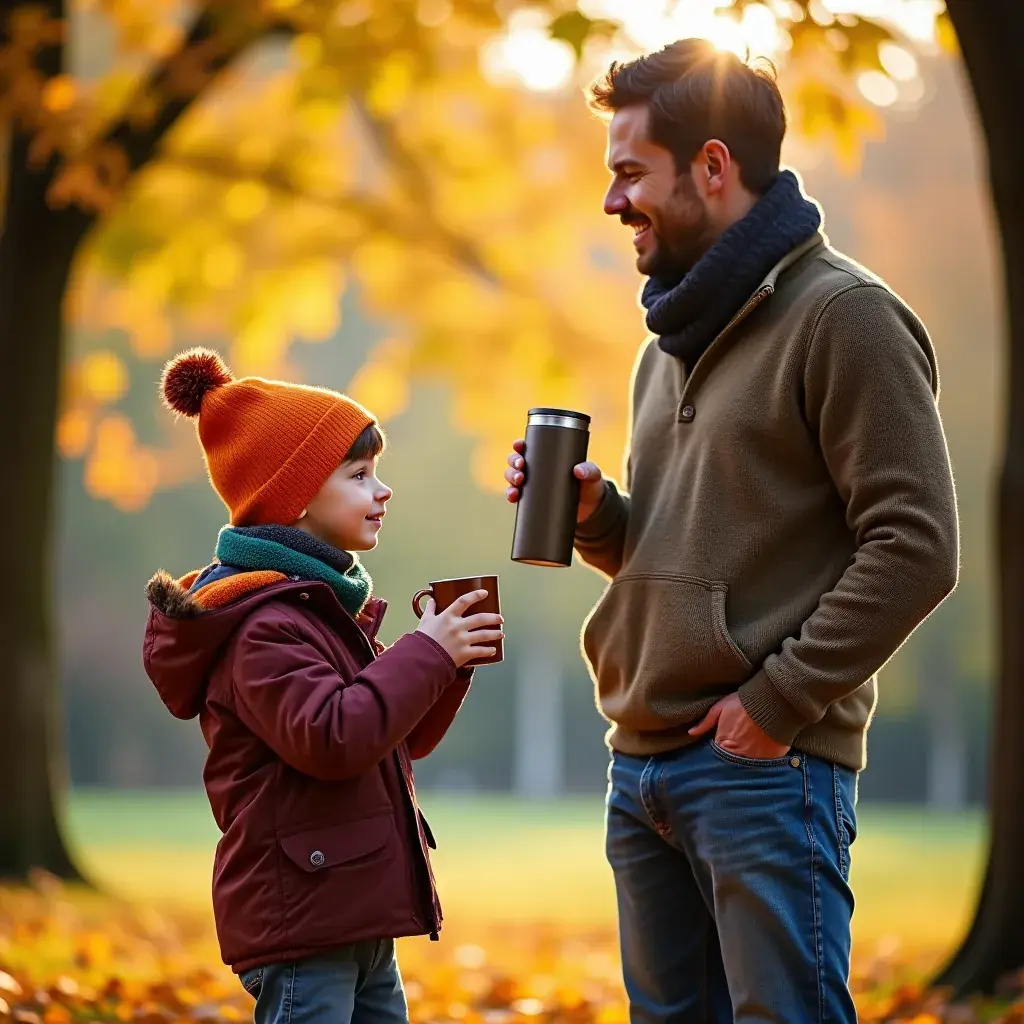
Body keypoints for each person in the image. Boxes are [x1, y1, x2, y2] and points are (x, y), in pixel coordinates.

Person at [505, 39, 959, 1024]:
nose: (611, 200)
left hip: (764, 767)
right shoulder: (669, 340)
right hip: (645, 764)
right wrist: (598, 519)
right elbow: (684, 552)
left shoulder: (846, 318)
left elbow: (917, 543)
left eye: (630, 172)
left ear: (712, 167)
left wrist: (780, 698)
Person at [143, 348, 503, 1024]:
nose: (383, 490)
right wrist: (424, 653)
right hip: (303, 919)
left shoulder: (319, 610)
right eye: (361, 475)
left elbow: (397, 739)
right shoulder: (261, 626)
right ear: (298, 495)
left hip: (352, 908)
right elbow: (334, 737)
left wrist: (446, 662)